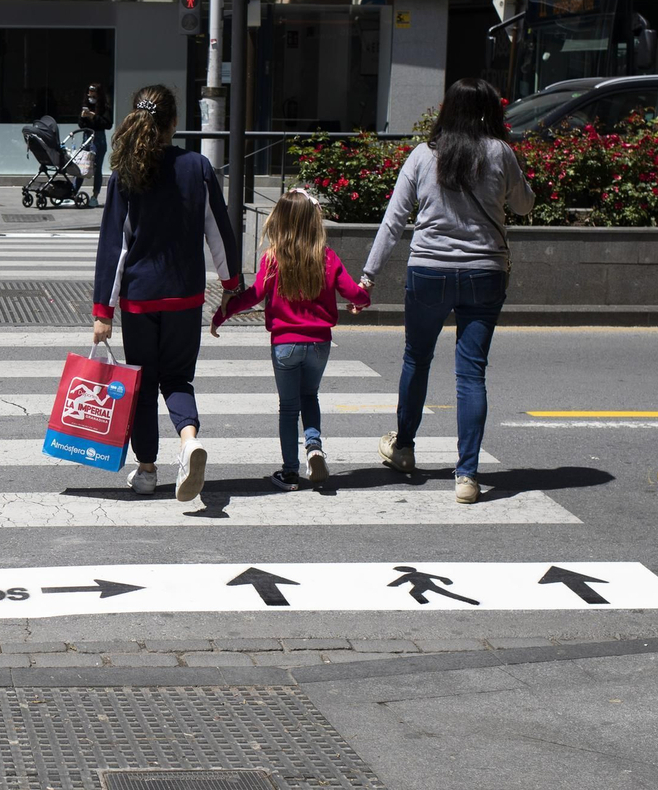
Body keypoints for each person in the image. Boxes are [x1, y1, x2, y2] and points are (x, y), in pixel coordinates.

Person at [360, 78, 535, 504]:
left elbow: (394, 221)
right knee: (471, 372)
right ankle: (468, 476)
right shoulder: (500, 153)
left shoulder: (422, 156)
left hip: (429, 274)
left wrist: (368, 274)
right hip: (484, 273)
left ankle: (403, 449)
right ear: (489, 111)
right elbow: (524, 205)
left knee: (416, 359)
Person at [93, 84, 242, 501]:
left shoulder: (126, 172)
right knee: (177, 378)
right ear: (174, 123)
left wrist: (102, 309)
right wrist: (231, 287)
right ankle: (189, 441)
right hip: (185, 296)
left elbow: (114, 246)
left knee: (142, 383)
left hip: (140, 298)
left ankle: (146, 469)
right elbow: (219, 232)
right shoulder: (197, 167)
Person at [209, 188, 371, 490]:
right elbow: (352, 292)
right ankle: (313, 446)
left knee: (288, 407)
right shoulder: (327, 257)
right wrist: (363, 298)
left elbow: (253, 295)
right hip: (320, 344)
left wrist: (222, 314)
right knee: (310, 396)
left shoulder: (273, 259)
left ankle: (289, 471)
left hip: (285, 345)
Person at [79, 82, 112, 206]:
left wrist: (94, 117)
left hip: (98, 138)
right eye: (89, 91)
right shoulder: (86, 105)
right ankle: (73, 192)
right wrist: (83, 117)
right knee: (81, 165)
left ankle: (95, 196)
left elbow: (107, 124)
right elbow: (81, 124)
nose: (91, 94)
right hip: (86, 137)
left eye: (93, 92)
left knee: (97, 167)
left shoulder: (104, 107)